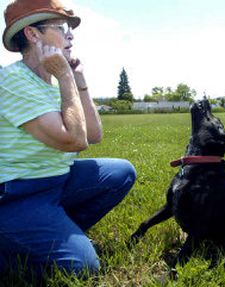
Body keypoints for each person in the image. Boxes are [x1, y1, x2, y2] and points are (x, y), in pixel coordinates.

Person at [0, 0, 136, 276]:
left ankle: (54, 232)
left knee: (121, 172)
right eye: (61, 28)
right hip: (18, 194)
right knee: (83, 268)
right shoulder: (13, 80)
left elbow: (94, 135)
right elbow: (74, 141)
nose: (71, 35)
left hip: (57, 181)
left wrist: (77, 80)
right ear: (32, 34)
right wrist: (64, 76)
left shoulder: (55, 81)